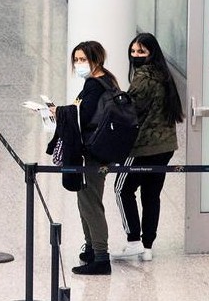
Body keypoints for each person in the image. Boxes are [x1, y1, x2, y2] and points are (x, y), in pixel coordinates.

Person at [112, 33, 184, 262]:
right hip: (165, 145)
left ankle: (133, 240)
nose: (135, 56)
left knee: (122, 189)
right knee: (152, 195)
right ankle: (148, 246)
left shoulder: (143, 77)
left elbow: (130, 110)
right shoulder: (165, 75)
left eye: (140, 52)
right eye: (133, 52)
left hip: (143, 146)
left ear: (151, 53)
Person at [67, 41, 119, 275]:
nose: (79, 64)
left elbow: (83, 116)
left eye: (83, 60)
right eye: (76, 60)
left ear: (96, 59)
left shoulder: (95, 86)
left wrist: (57, 112)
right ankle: (90, 249)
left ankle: (100, 256)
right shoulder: (107, 80)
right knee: (86, 201)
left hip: (93, 153)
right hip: (101, 150)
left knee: (90, 203)